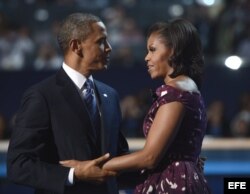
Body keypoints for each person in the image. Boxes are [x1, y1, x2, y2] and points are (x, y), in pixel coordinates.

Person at [62, 18, 211, 193]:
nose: (147, 57)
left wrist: (87, 166)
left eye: (153, 50)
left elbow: (149, 157)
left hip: (172, 185)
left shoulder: (175, 92)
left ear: (173, 51)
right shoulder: (189, 88)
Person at [7, 13, 130, 194]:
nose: (109, 48)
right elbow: (18, 165)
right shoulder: (42, 95)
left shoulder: (110, 95)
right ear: (76, 46)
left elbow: (119, 156)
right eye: (101, 41)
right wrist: (73, 173)